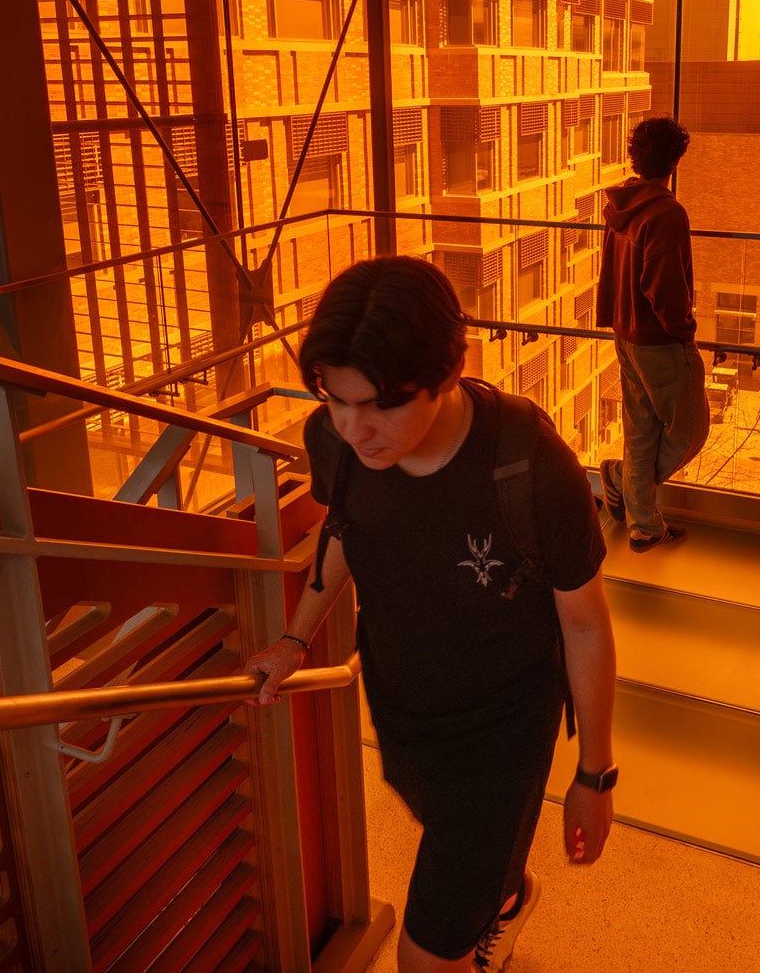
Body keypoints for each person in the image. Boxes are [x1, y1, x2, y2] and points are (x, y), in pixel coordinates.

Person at [242, 256, 619, 973]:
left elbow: (586, 623)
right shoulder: (334, 441)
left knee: (430, 941)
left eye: (384, 404)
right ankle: (504, 896)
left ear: (452, 370)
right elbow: (346, 533)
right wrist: (296, 637)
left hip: (502, 731)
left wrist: (594, 776)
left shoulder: (529, 464)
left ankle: (484, 898)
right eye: (335, 399)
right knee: (432, 816)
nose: (356, 428)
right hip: (401, 696)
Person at [597, 115, 710, 553]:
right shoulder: (666, 212)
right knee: (690, 430)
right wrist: (684, 331)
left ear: (635, 156)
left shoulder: (622, 206)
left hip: (625, 333)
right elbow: (662, 286)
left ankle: (644, 525)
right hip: (660, 341)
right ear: (676, 160)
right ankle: (622, 481)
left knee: (642, 429)